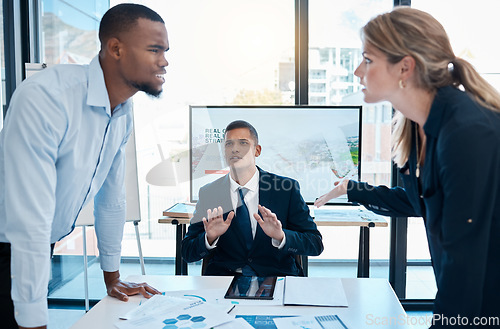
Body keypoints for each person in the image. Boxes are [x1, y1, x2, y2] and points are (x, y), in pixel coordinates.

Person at [315, 7, 500, 328]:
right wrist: (352, 189)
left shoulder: (467, 131)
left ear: (405, 67)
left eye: (368, 59)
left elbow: (465, 262)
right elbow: (419, 201)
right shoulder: (418, 129)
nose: (358, 71)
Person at [0, 4, 170, 328]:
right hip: (13, 240)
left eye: (165, 50)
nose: (164, 60)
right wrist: (35, 321)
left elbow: (112, 198)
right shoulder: (48, 97)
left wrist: (112, 277)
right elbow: (29, 221)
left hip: (37, 243)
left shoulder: (123, 111)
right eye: (154, 49)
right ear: (115, 48)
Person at [182, 120, 323, 277]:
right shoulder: (209, 193)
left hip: (276, 277)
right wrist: (209, 237)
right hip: (224, 281)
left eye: (243, 143)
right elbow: (187, 252)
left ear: (257, 150)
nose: (235, 149)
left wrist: (281, 236)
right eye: (229, 144)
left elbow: (315, 244)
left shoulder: (286, 189)